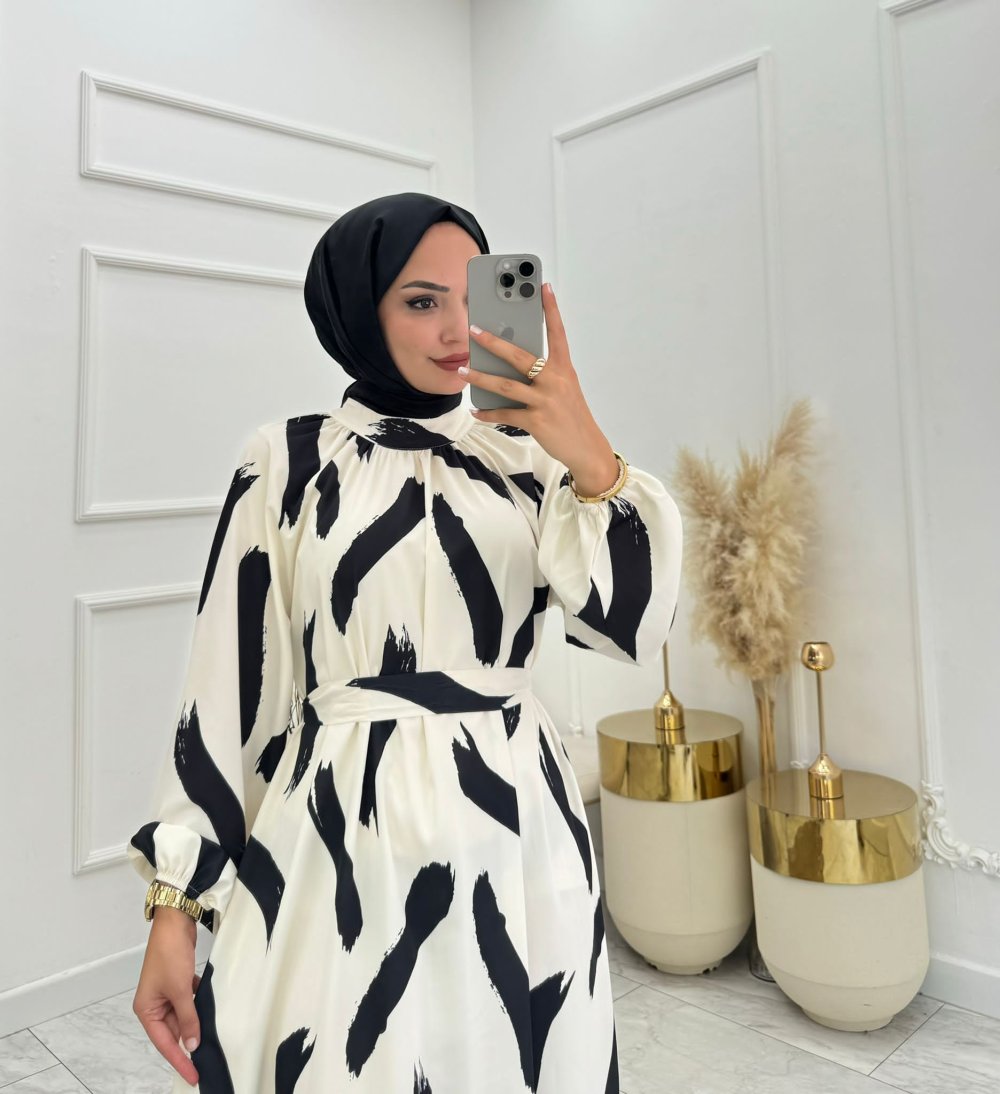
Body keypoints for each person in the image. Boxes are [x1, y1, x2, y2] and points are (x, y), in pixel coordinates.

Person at [127, 192, 683, 1093]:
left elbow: (629, 627)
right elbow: (224, 693)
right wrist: (174, 909)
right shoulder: (287, 463)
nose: (458, 329)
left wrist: (587, 453)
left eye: (473, 296)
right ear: (358, 308)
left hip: (516, 834)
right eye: (422, 301)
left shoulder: (529, 459)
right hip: (341, 841)